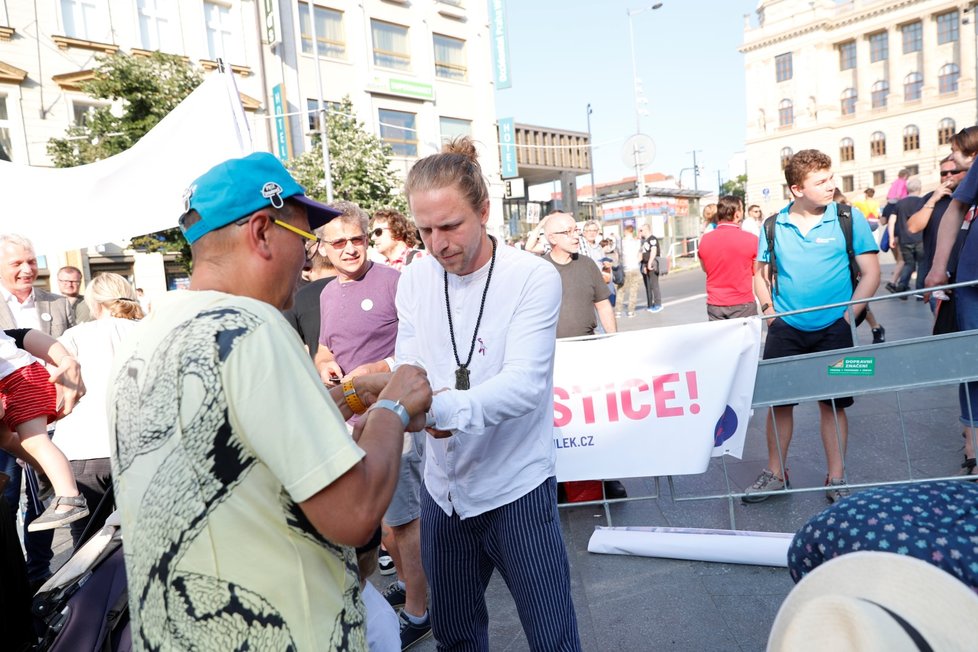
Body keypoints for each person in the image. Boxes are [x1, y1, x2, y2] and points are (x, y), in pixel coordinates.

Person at [108, 151, 432, 649]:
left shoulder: (148, 338)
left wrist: (348, 396)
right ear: (261, 232)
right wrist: (394, 407)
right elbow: (354, 511)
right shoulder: (252, 329)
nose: (311, 259)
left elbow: (236, 440)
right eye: (305, 241)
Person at [399, 137, 582, 651]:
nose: (438, 244)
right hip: (444, 493)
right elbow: (408, 361)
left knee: (553, 639)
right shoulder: (413, 279)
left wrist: (434, 405)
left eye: (450, 226)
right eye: (425, 229)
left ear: (483, 211)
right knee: (455, 639)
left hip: (516, 487)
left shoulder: (532, 278)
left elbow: (524, 385)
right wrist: (384, 388)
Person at [314, 201, 432, 648]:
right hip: (349, 417)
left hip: (391, 416)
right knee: (379, 523)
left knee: (404, 520)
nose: (350, 249)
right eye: (339, 242)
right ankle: (407, 581)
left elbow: (418, 347)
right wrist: (325, 362)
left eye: (358, 239)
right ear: (323, 248)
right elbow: (327, 347)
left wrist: (373, 369)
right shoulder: (327, 292)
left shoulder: (393, 283)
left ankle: (419, 612)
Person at [746, 149, 880, 504]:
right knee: (778, 405)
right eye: (820, 182)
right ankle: (776, 473)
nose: (831, 185)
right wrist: (769, 310)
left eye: (830, 178)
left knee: (834, 405)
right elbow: (760, 275)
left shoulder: (849, 217)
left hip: (835, 329)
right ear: (796, 189)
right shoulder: (773, 224)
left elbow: (871, 274)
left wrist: (849, 316)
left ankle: (836, 477)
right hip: (785, 329)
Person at [0, 233, 74, 588]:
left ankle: (40, 571)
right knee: (12, 485)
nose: (28, 269)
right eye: (17, 263)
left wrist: (67, 362)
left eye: (32, 261)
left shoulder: (60, 303)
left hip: (29, 392)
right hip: (12, 397)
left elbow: (28, 335)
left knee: (40, 450)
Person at [53, 272, 143, 546]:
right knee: (145, 534)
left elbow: (56, 390)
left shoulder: (74, 336)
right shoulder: (149, 329)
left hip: (83, 449)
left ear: (95, 303)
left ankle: (91, 588)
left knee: (86, 542)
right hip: (140, 447)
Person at [924, 128, 978, 479]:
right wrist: (938, 269)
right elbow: (957, 207)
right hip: (972, 282)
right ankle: (973, 446)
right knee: (971, 364)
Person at [835, 189, 886, 344]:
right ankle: (875, 328)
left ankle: (875, 327)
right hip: (840, 272)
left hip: (852, 269)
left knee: (860, 305)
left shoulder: (850, 217)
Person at [697, 195, 758, 320]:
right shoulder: (751, 239)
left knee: (719, 340)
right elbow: (756, 271)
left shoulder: (705, 240)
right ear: (737, 214)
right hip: (742, 302)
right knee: (745, 340)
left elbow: (705, 268)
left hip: (715, 304)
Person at [281, 247, 336, 357]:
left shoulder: (296, 298)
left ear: (308, 268)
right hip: (371, 371)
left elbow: (288, 348)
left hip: (319, 372)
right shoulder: (363, 288)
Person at [886, 176, 925, 296]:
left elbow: (891, 221)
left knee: (909, 264)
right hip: (920, 238)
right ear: (920, 189)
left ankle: (902, 285)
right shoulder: (922, 202)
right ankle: (920, 291)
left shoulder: (900, 203)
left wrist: (891, 237)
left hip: (904, 239)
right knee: (922, 264)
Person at [618, 224, 642, 318]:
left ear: (626, 231)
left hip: (625, 269)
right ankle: (631, 311)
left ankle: (618, 312)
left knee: (621, 290)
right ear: (632, 231)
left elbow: (619, 253)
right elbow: (639, 254)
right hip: (635, 268)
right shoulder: (637, 242)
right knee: (633, 291)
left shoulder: (622, 242)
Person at [638, 223, 663, 313]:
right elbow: (642, 254)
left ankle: (658, 304)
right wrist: (644, 265)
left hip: (652, 263)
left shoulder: (652, 239)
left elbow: (653, 251)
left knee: (654, 284)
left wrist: (649, 263)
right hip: (646, 264)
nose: (641, 232)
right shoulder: (645, 241)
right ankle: (651, 304)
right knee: (649, 285)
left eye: (642, 230)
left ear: (646, 230)